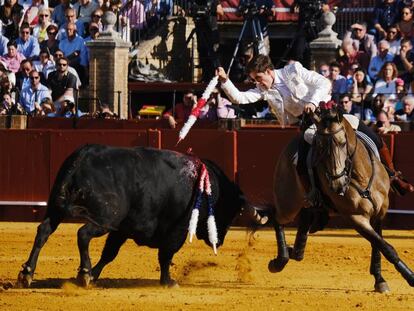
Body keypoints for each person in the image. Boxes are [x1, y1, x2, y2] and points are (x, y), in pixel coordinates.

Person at [216, 54, 414, 201]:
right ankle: (313, 195)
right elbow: (240, 98)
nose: (257, 83)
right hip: (308, 124)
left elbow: (323, 82)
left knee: (370, 135)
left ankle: (394, 177)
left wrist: (312, 101)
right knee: (300, 158)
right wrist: (225, 81)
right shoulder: (264, 90)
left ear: (268, 71)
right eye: (254, 80)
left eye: (258, 78)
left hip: (328, 112)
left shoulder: (293, 70)